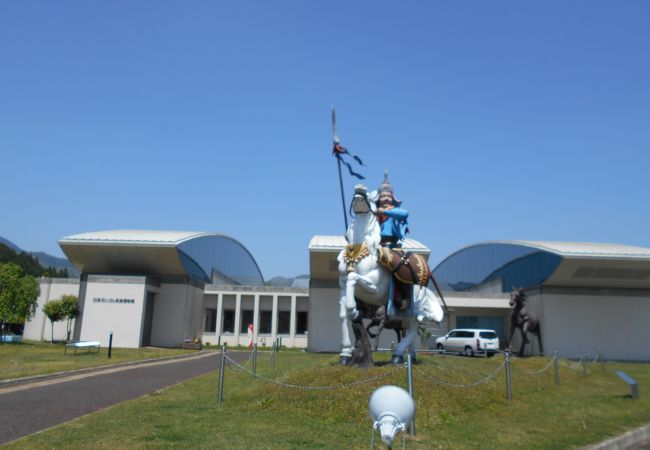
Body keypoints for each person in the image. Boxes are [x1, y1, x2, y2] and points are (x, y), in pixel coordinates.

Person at [376, 171, 409, 248]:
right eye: (383, 196)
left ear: (392, 199)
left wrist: (385, 212)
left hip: (392, 244)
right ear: (379, 199)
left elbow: (405, 214)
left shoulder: (395, 211)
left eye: (389, 196)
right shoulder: (374, 213)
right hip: (376, 244)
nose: (386, 198)